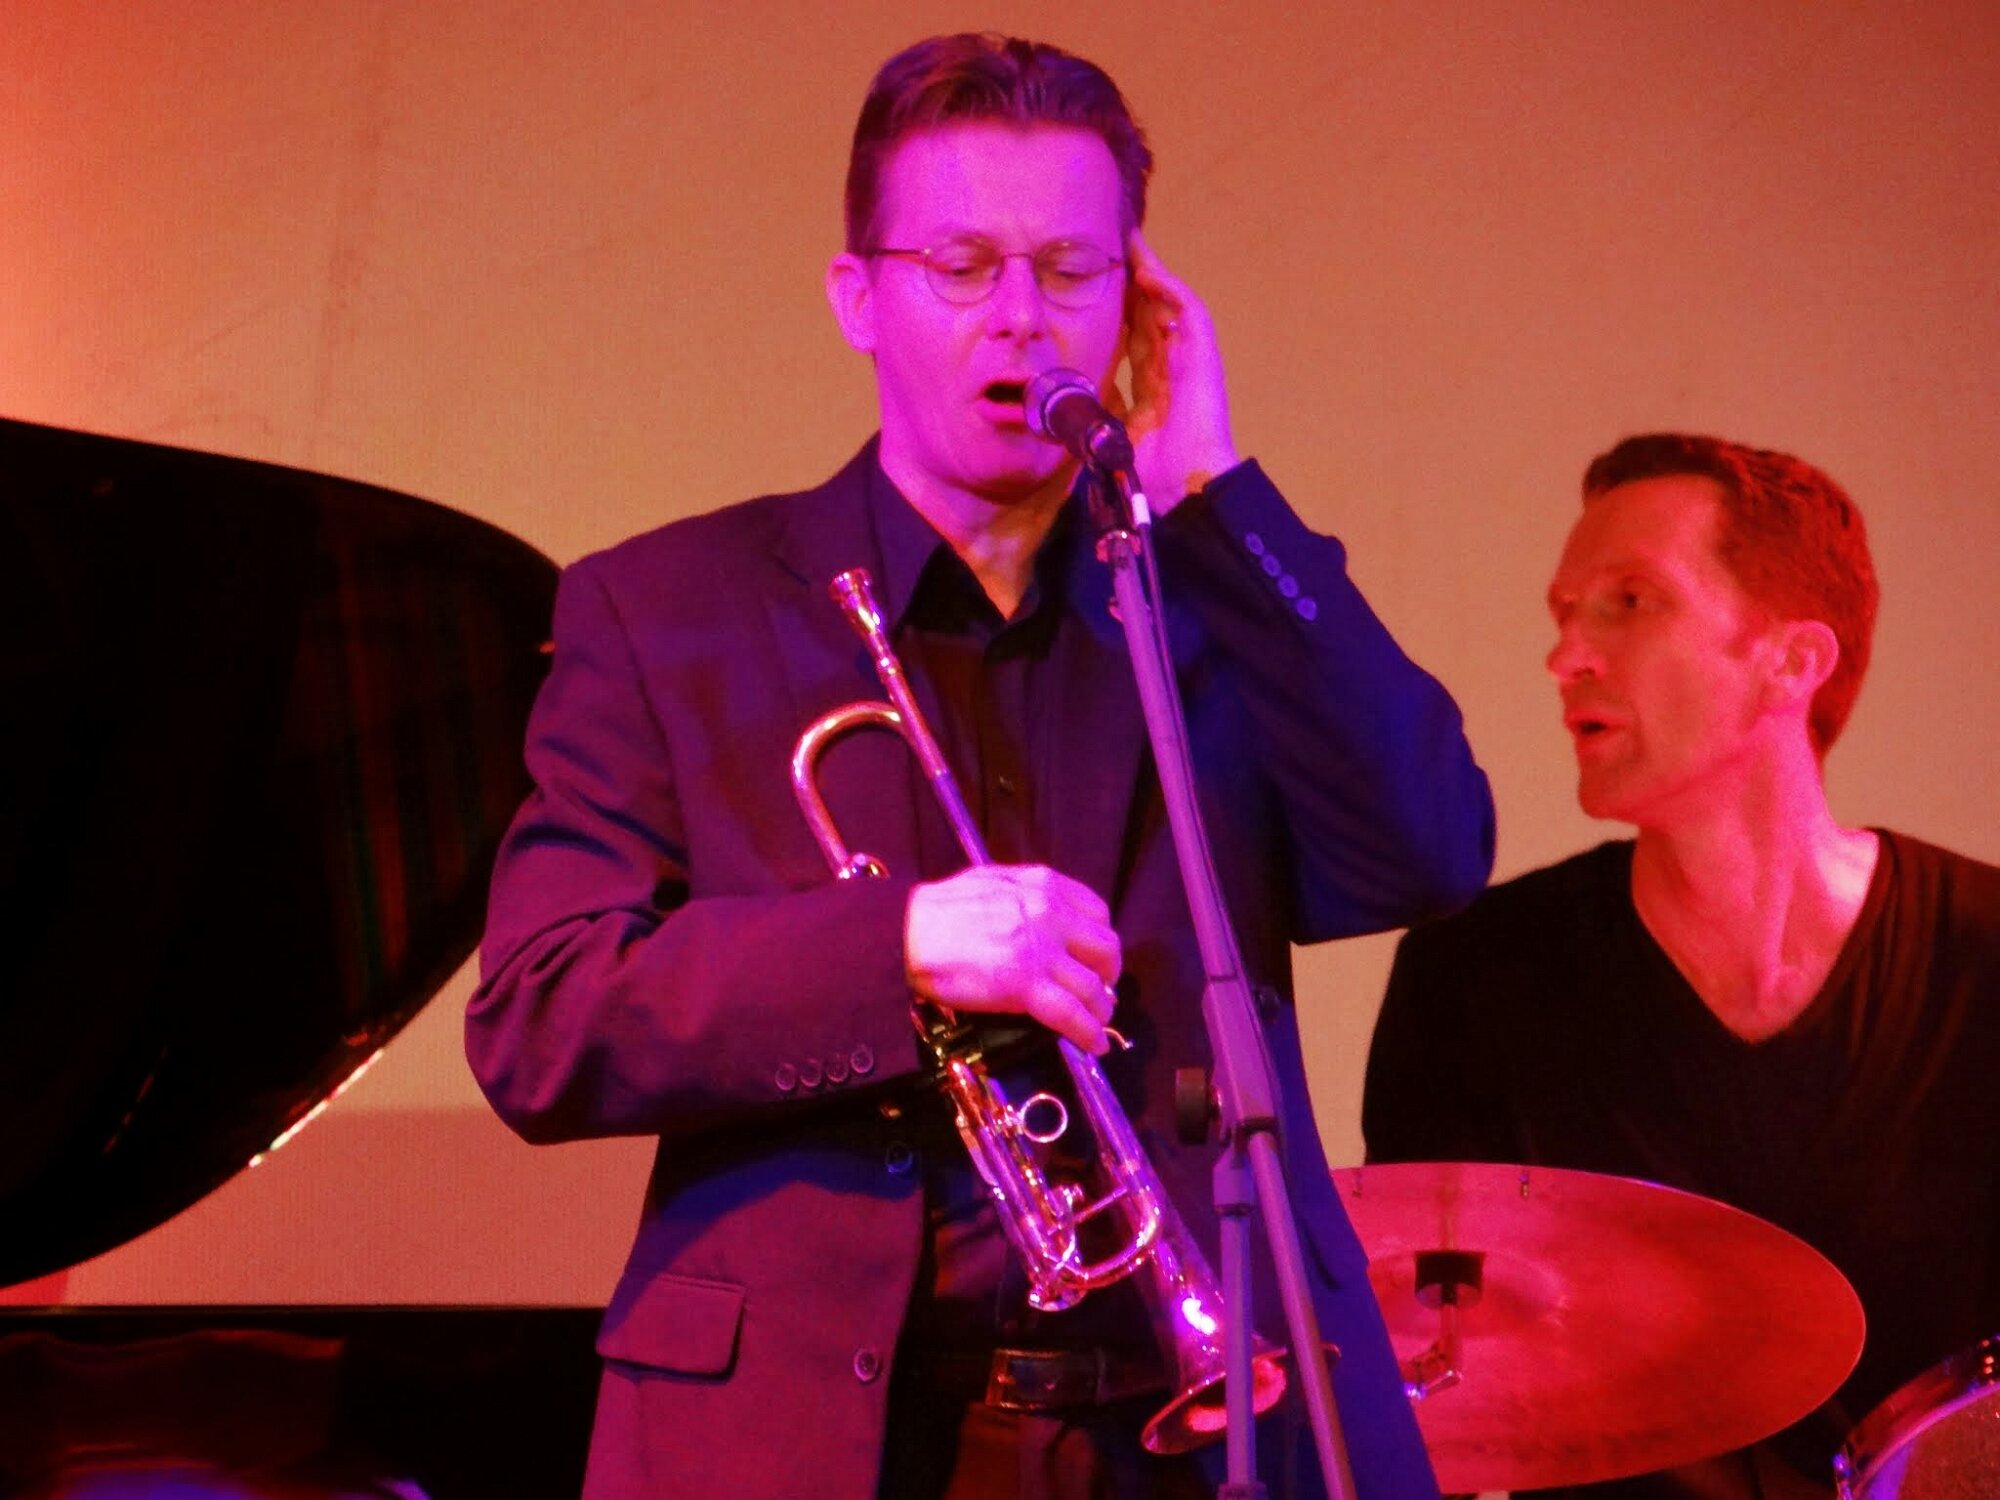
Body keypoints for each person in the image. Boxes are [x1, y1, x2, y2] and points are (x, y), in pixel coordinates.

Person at [470, 32, 1494, 1499]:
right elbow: (541, 1016)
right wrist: (896, 950)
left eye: (1071, 271)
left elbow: (1432, 849)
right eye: (961, 267)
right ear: (859, 298)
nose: (1021, 318)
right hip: (816, 1442)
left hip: (1208, 1435)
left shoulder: (1214, 600)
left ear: (1133, 300)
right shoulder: (666, 608)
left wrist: (1213, 487)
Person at [1363, 433, 2000, 1498]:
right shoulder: (1472, 979)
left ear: (1792, 660)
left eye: (1629, 601)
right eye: (1564, 613)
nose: (1566, 656)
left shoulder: (1985, 960)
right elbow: (1426, 1381)